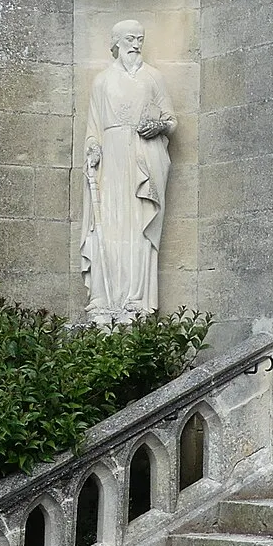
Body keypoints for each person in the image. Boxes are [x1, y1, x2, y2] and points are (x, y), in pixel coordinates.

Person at [80, 19, 175, 323]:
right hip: (111, 163)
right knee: (106, 225)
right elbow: (93, 128)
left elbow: (171, 121)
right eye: (131, 39)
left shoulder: (153, 78)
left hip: (143, 160)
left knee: (137, 228)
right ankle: (103, 299)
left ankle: (137, 301)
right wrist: (93, 149)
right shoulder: (101, 82)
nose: (136, 45)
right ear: (116, 42)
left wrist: (158, 126)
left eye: (140, 39)